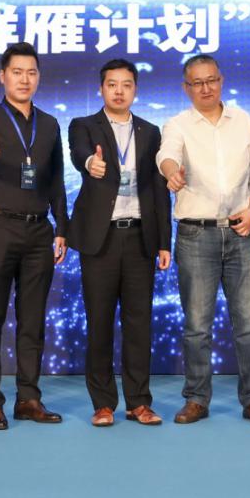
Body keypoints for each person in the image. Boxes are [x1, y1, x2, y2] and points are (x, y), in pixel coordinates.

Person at [156, 54, 250, 425]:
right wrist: (172, 173)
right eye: (197, 83)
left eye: (212, 80)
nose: (206, 88)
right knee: (197, 326)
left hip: (242, 231)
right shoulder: (177, 124)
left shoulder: (242, 120)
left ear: (221, 81)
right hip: (196, 235)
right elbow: (166, 155)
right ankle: (196, 398)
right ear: (186, 88)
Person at [0, 42, 69, 430]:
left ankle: (28, 398)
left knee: (32, 319)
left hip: (39, 230)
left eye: (31, 72)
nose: (24, 79)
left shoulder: (50, 124)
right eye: (17, 72)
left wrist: (62, 229)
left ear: (38, 77)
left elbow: (56, 180)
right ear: (2, 76)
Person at [68, 59, 172, 427]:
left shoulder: (150, 132)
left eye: (126, 84)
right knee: (99, 323)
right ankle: (103, 403)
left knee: (138, 324)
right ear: (101, 89)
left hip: (140, 237)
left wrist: (164, 242)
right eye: (112, 84)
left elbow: (158, 190)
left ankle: (139, 402)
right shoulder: (83, 125)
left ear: (135, 90)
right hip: (102, 239)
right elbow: (80, 153)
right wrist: (89, 164)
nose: (119, 91)